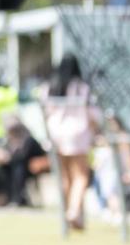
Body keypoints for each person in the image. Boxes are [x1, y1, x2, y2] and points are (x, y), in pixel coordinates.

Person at [41, 54, 98, 231]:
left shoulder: (50, 87)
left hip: (55, 133)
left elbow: (46, 111)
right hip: (78, 134)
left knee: (64, 176)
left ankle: (67, 214)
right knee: (81, 175)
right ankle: (73, 211)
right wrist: (95, 131)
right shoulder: (82, 87)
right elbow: (93, 113)